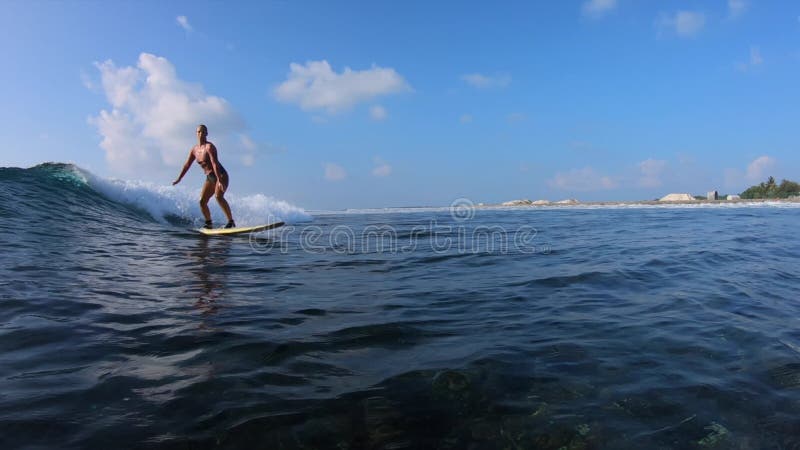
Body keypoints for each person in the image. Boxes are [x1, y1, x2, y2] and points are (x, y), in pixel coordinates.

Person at [173, 124, 236, 229]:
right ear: (196, 133)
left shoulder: (210, 147)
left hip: (220, 175)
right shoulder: (194, 150)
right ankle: (209, 223)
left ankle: (230, 221)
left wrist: (220, 181)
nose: (201, 133)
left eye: (203, 132)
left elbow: (215, 164)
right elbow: (187, 165)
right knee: (202, 201)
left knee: (218, 197)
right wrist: (179, 178)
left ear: (207, 134)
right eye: (199, 131)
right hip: (210, 178)